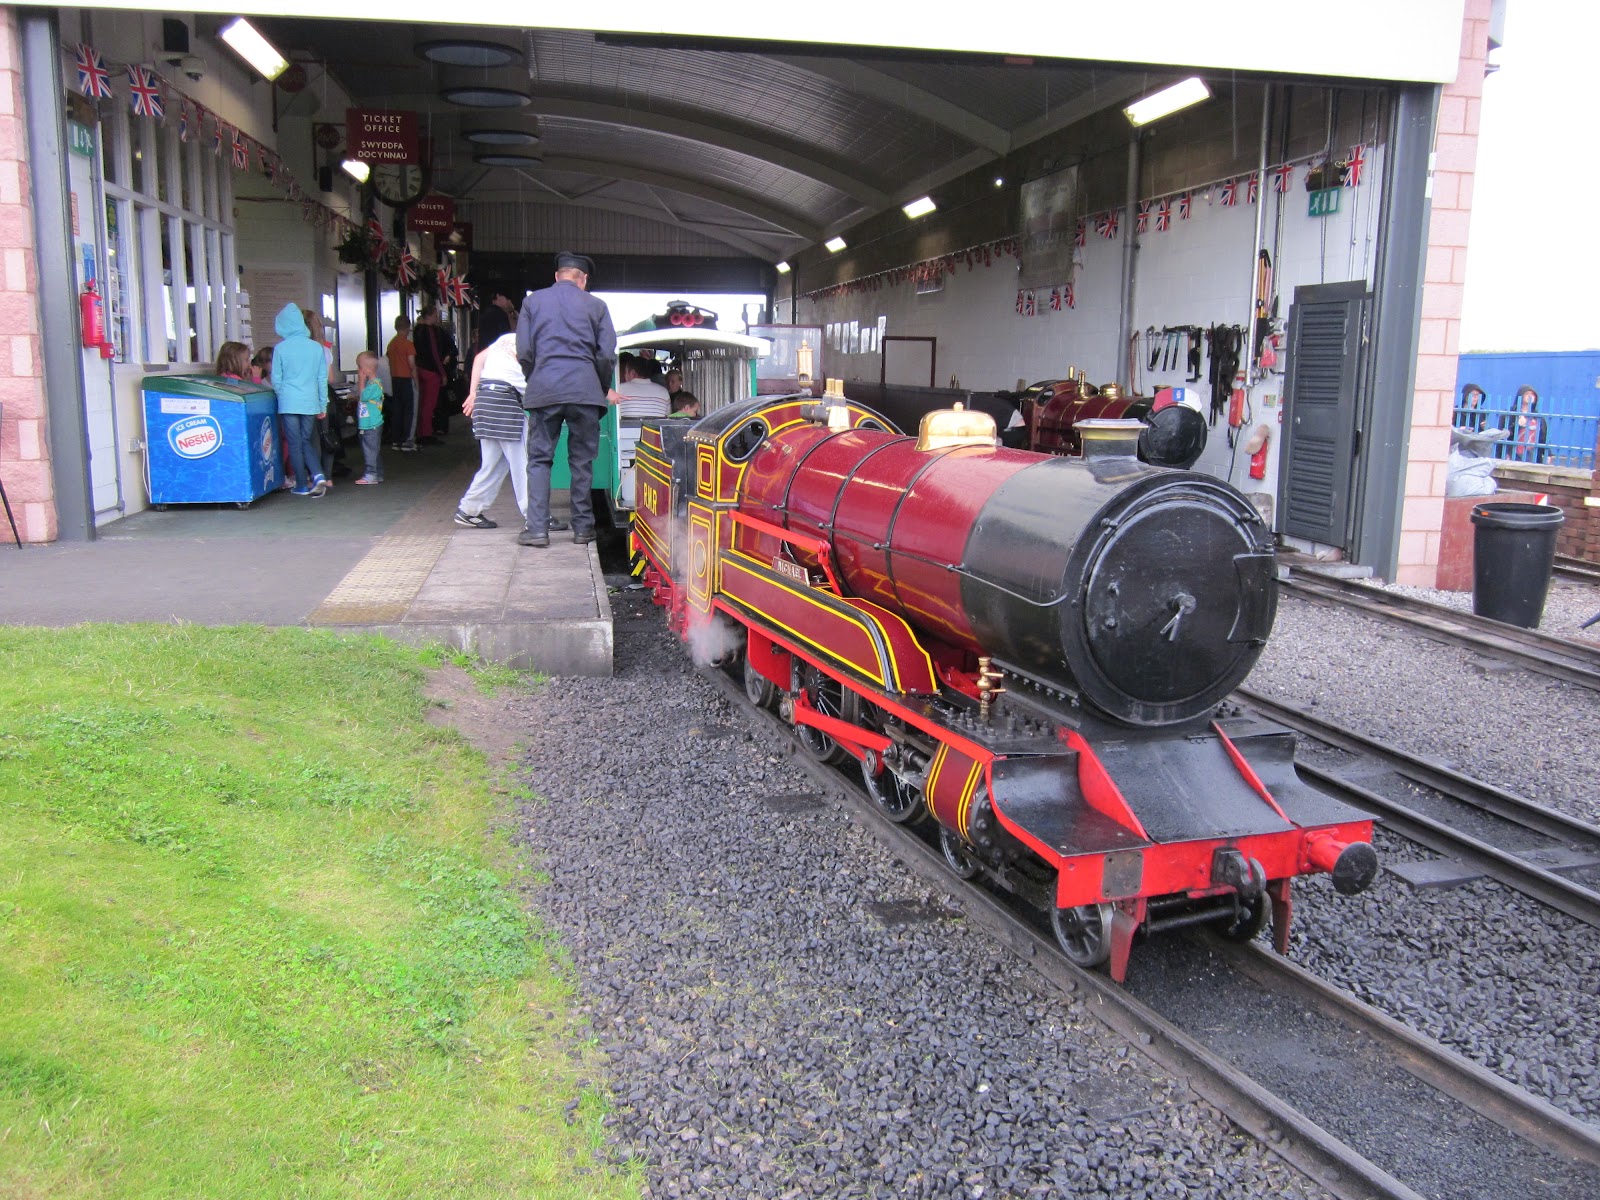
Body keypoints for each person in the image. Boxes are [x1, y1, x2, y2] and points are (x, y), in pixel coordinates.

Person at [515, 250, 618, 548]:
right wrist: (597, 387)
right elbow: (606, 355)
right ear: (583, 279)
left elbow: (524, 351)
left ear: (556, 276)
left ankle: (537, 530)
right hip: (585, 391)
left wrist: (537, 377)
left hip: (544, 390)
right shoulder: (597, 306)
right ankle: (583, 529)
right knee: (582, 462)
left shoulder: (532, 302)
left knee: (539, 459)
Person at [453, 332, 531, 529]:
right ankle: (535, 516)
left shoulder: (507, 337)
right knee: (523, 463)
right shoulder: (537, 342)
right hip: (506, 402)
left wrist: (473, 392)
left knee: (494, 463)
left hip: (485, 398)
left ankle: (469, 510)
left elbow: (479, 358)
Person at [269, 303, 330, 497]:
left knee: (295, 442)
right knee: (305, 440)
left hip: (288, 401)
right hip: (310, 401)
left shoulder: (280, 348)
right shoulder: (316, 348)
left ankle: (302, 485)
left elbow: (276, 379)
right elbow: (322, 379)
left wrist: (282, 394)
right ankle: (319, 475)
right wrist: (323, 404)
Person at [413, 306, 457, 445]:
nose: (437, 318)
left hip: (420, 368)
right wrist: (442, 373)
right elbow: (434, 354)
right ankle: (426, 433)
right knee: (429, 404)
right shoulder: (430, 331)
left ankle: (421, 432)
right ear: (430, 315)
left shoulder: (417, 330)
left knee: (422, 403)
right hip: (431, 371)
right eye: (435, 315)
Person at [385, 315, 417, 451]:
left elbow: (387, 357)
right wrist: (416, 381)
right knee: (409, 410)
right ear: (408, 328)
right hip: (406, 378)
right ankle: (406, 440)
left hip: (395, 378)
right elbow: (411, 364)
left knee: (397, 409)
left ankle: (395, 440)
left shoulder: (391, 344)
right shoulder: (408, 344)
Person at [352, 351, 385, 485]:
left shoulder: (375, 385)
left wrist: (360, 380)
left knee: (370, 449)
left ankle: (371, 474)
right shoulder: (371, 385)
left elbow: (362, 396)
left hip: (371, 424)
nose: (358, 370)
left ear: (368, 369)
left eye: (360, 367)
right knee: (373, 449)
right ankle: (378, 473)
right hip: (368, 423)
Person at [612, 352, 671, 418]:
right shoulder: (664, 392)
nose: (624, 375)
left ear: (632, 373)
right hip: (655, 428)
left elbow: (613, 417)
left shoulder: (619, 390)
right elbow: (667, 418)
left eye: (625, 372)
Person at [1500, 385, 1547, 464]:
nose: (1530, 396)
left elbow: (1543, 436)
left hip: (1532, 453)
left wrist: (1547, 453)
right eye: (1527, 394)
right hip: (1514, 453)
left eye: (1532, 394)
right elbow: (1503, 434)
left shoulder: (1538, 417)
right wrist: (1517, 425)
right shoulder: (1509, 414)